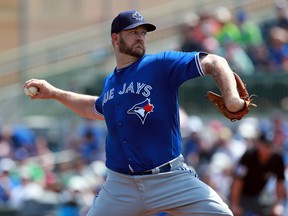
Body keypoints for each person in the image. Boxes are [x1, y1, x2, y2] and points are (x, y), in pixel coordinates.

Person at [23, 9, 247, 216]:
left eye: (143, 33)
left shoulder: (160, 64)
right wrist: (53, 93)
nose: (140, 37)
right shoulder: (110, 82)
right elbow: (95, 107)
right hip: (120, 186)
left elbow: (215, 62)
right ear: (115, 38)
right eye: (133, 32)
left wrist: (232, 97)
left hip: (170, 178)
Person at [230, 130, 286, 216]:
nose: (268, 149)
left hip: (260, 195)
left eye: (270, 146)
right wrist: (235, 205)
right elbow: (238, 181)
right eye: (265, 145)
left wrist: (278, 204)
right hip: (242, 195)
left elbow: (280, 182)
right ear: (258, 144)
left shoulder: (277, 158)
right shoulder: (248, 156)